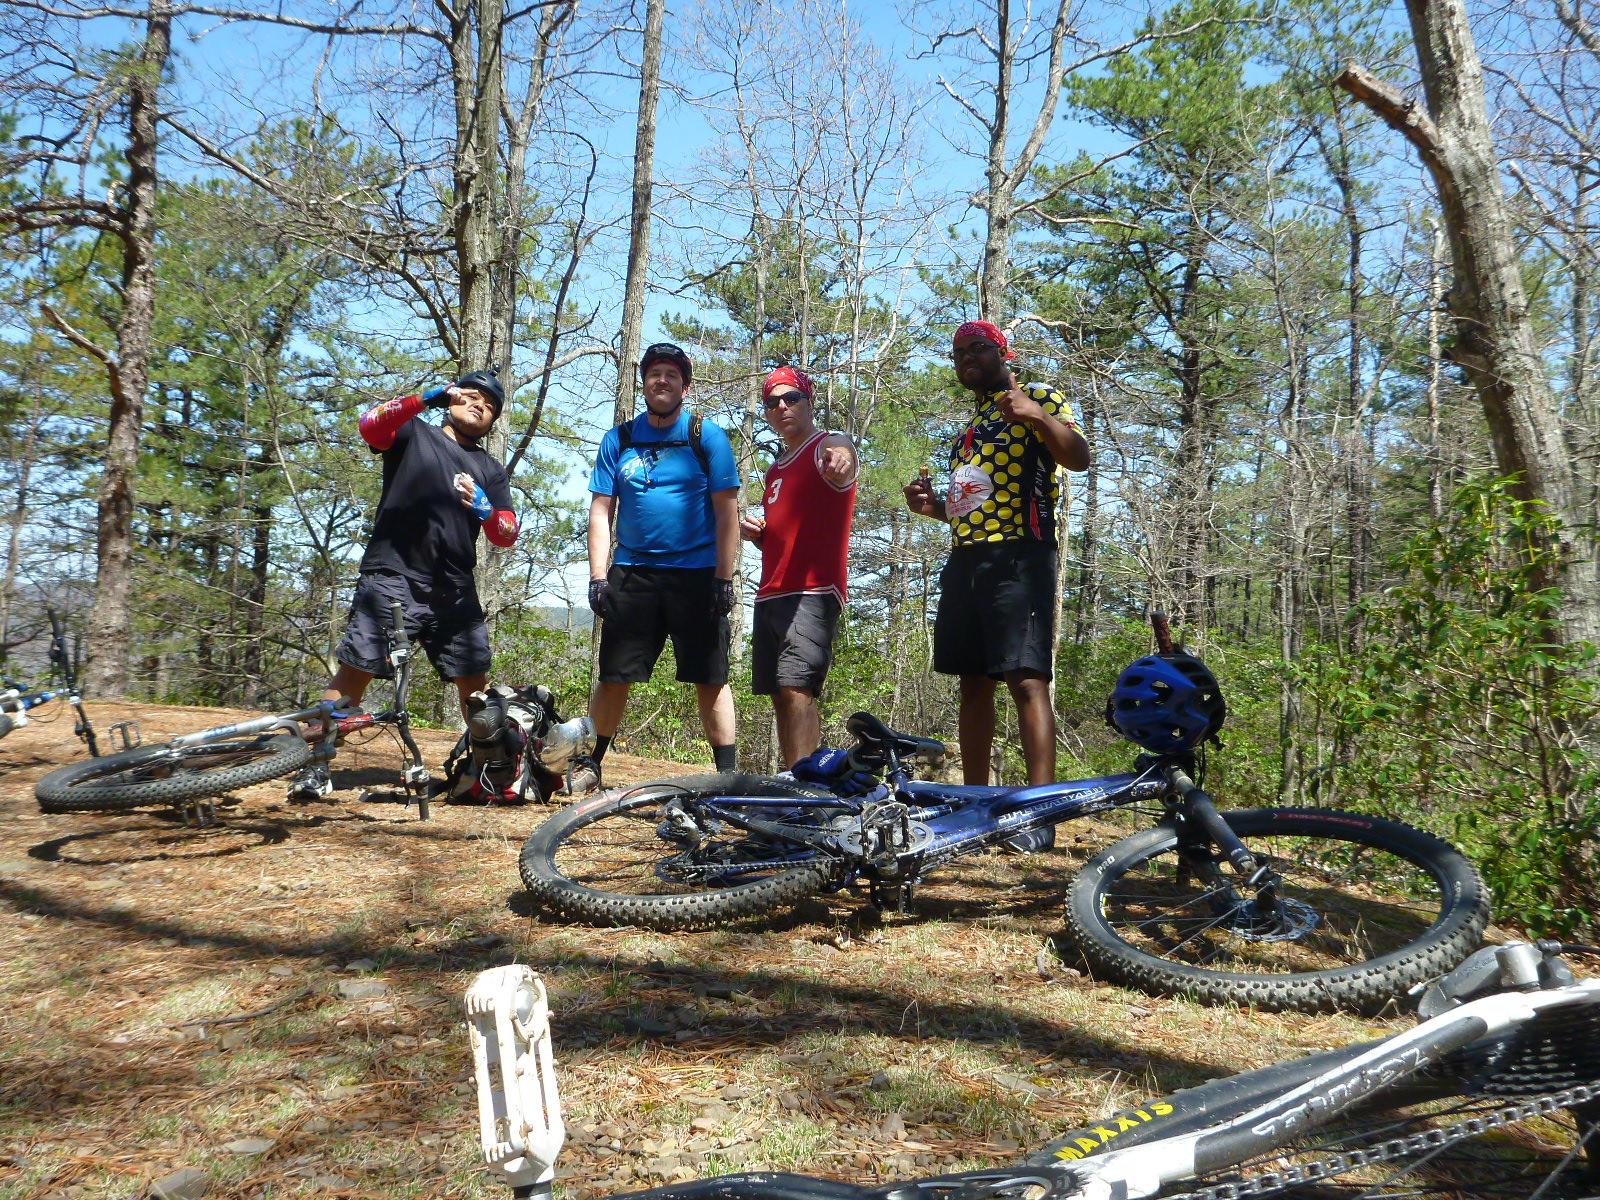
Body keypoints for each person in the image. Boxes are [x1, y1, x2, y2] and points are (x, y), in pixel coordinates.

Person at [289, 369, 519, 800]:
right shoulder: (414, 434)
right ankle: (312, 766)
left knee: (474, 678)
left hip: (454, 585)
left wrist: (487, 511)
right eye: (471, 397)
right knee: (357, 668)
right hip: (395, 573)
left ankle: (484, 770)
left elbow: (507, 532)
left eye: (489, 407)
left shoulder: (490, 468)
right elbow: (370, 425)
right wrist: (424, 399)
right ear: (451, 399)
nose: (479, 406)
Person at [903, 320, 1089, 845]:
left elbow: (1078, 456)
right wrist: (933, 507)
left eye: (977, 348)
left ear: (1004, 353)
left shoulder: (1039, 397)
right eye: (958, 351)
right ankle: (975, 807)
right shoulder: (972, 428)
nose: (965, 357)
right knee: (972, 681)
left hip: (1021, 556)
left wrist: (1034, 414)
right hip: (967, 560)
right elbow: (971, 508)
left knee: (1026, 679)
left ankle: (1041, 814)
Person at [566, 342, 741, 794]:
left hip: (698, 574)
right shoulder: (619, 439)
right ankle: (593, 764)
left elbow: (728, 512)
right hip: (633, 573)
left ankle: (726, 777)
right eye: (654, 373)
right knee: (614, 676)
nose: (662, 380)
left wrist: (725, 578)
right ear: (643, 382)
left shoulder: (707, 435)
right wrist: (598, 576)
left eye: (671, 374)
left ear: (685, 384)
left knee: (711, 677)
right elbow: (601, 510)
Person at [738, 367, 858, 768]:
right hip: (771, 591)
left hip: (813, 591)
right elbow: (789, 530)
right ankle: (795, 786)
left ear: (810, 403)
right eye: (772, 402)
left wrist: (842, 458)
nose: (782, 407)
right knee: (780, 693)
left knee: (797, 687)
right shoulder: (776, 470)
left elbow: (842, 455)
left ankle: (809, 797)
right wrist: (760, 534)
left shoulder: (825, 444)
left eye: (792, 399)